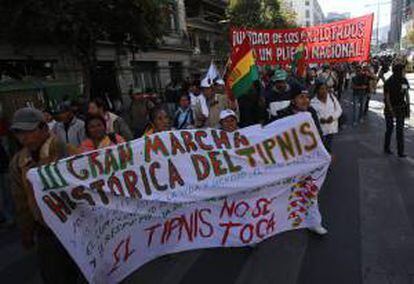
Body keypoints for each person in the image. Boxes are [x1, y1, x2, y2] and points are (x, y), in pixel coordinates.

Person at [8, 107, 82, 283]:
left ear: (44, 128)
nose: (24, 137)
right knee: (53, 275)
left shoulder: (64, 150)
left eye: (29, 131)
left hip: (75, 224)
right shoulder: (18, 162)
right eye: (19, 133)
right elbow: (21, 203)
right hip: (46, 231)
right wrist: (27, 233)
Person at [383, 62, 410, 158]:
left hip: (400, 108)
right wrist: (391, 109)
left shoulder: (403, 80)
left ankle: (400, 151)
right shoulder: (389, 82)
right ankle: (387, 148)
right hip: (391, 108)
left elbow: (406, 93)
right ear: (399, 71)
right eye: (403, 70)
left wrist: (408, 106)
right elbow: (387, 97)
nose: (405, 72)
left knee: (399, 130)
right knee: (390, 129)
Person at [311, 82, 343, 153]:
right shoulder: (312, 102)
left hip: (331, 128)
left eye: (326, 89)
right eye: (322, 89)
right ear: (317, 90)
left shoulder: (332, 98)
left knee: (328, 146)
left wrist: (333, 117)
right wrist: (319, 119)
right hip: (320, 130)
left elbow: (339, 110)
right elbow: (312, 115)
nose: (324, 91)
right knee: (321, 148)